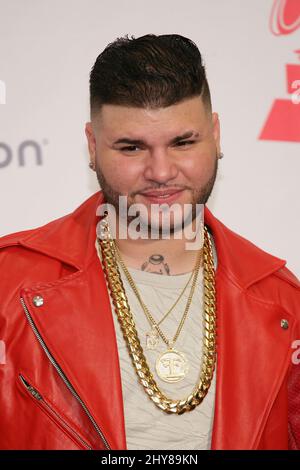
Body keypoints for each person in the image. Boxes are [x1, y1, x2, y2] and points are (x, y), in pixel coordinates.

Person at [0, 33, 299, 451]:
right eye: (132, 147)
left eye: (183, 142)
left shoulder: (284, 302)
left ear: (215, 135)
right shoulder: (8, 286)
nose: (160, 172)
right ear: (92, 146)